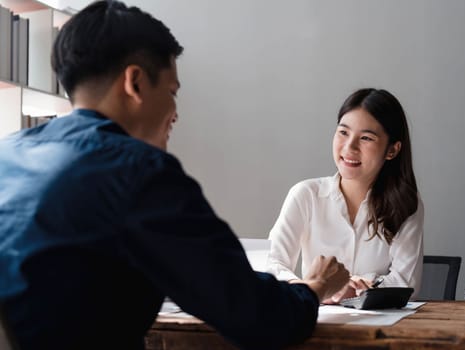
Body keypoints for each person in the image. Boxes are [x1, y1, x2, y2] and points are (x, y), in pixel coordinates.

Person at [0, 1, 350, 349]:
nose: (175, 114)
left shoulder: (8, 154)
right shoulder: (139, 171)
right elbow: (256, 316)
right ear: (135, 82)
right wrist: (314, 286)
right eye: (171, 92)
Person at [266, 88, 424, 303]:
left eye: (366, 138)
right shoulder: (306, 195)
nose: (350, 147)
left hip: (382, 326)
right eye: (343, 132)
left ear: (392, 150)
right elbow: (272, 264)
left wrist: (351, 286)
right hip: (316, 324)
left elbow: (406, 285)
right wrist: (316, 288)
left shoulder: (405, 203)